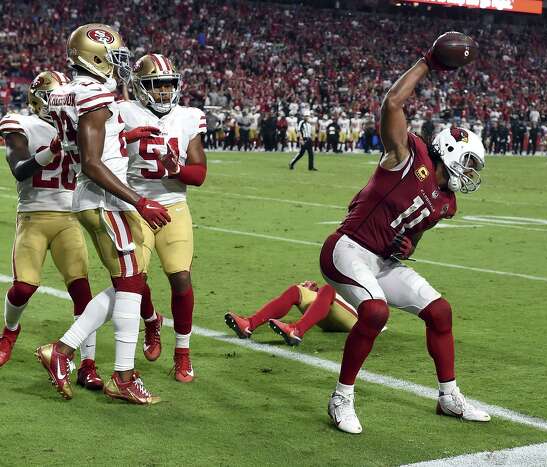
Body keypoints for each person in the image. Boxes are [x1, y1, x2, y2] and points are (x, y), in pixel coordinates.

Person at [319, 36, 490, 434]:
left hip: (382, 261)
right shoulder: (407, 155)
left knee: (440, 311)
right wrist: (429, 61)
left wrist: (409, 246)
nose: (469, 171)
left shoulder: (446, 202)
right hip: (347, 250)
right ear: (447, 150)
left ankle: (449, 396)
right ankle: (341, 398)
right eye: (467, 161)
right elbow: (392, 104)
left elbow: (408, 239)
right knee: (375, 313)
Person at [35, 23, 170, 405]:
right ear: (93, 57)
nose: (119, 64)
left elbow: (80, 145)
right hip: (103, 197)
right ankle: (114, 372)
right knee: (131, 283)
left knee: (130, 281)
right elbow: (93, 162)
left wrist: (128, 136)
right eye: (114, 57)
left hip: (88, 197)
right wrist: (139, 200)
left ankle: (67, 352)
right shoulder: (94, 92)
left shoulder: (63, 93)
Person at [0, 71, 101, 391]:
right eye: (54, 100)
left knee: (82, 292)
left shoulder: (77, 129)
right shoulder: (20, 124)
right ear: (37, 100)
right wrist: (52, 150)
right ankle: (9, 332)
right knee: (24, 288)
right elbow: (19, 169)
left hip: (68, 219)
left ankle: (87, 363)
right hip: (32, 218)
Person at [118, 53, 207, 383]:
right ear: (141, 88)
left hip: (174, 207)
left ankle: (182, 352)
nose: (165, 92)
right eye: (157, 85)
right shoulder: (124, 112)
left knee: (180, 279)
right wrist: (125, 137)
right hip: (135, 206)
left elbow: (199, 173)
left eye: (169, 84)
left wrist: (178, 169)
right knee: (134, 280)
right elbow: (101, 148)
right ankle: (152, 321)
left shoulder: (188, 117)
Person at [224, 281, 359, 346]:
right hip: (340, 308)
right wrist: (317, 293)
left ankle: (297, 331)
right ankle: (249, 324)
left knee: (328, 289)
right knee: (297, 290)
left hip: (359, 318)